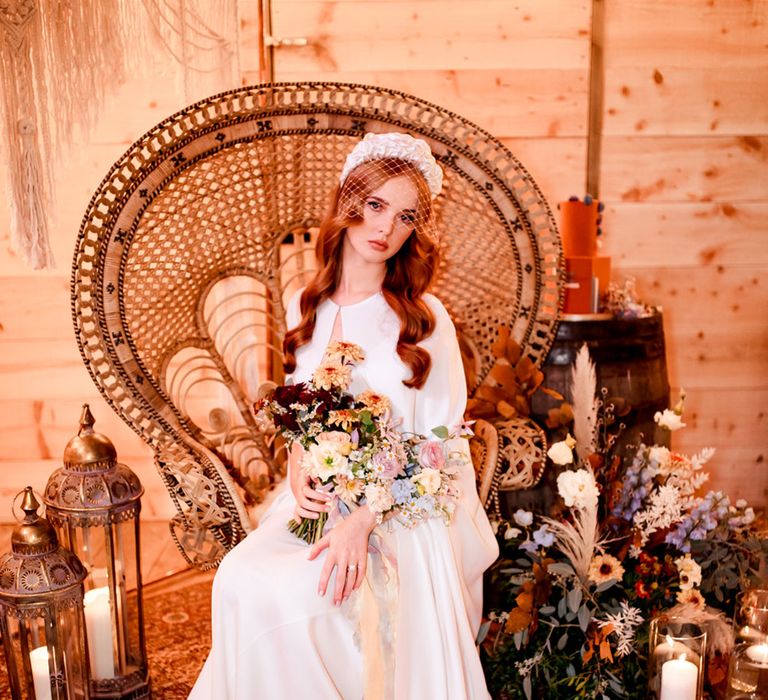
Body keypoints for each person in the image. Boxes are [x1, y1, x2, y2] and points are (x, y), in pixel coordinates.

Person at [189, 132, 499, 699]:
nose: (385, 228)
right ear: (348, 205)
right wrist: (296, 467)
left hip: (404, 511)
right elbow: (302, 419)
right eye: (376, 206)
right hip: (320, 502)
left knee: (303, 596)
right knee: (238, 579)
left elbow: (442, 445)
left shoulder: (424, 320)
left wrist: (365, 519)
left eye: (404, 217)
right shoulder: (304, 307)